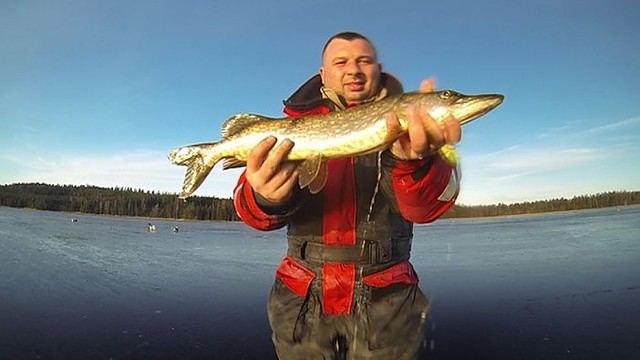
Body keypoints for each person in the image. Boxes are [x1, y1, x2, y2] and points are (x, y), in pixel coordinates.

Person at [233, 32, 461, 359]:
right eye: (341, 62)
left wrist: (416, 162)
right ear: (323, 74)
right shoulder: (288, 129)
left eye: (363, 61)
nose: (353, 70)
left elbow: (427, 209)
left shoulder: (418, 132)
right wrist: (266, 198)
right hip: (301, 299)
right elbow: (248, 209)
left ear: (378, 70)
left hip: (388, 302)